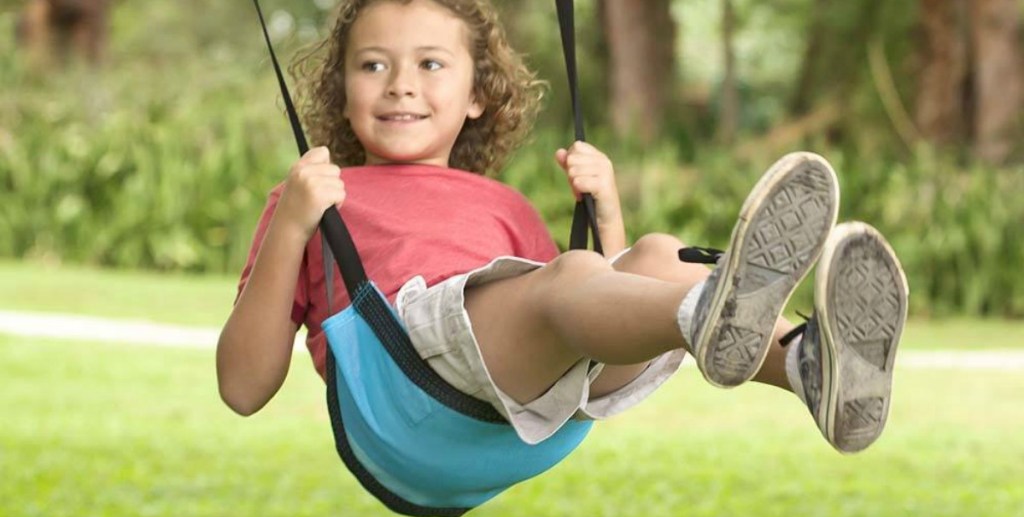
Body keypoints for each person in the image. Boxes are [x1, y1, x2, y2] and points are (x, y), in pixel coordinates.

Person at [217, 0, 908, 456]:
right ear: (341, 88)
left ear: (478, 95)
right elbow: (243, 389)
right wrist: (290, 225)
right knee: (574, 280)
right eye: (373, 65)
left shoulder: (503, 207)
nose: (400, 83)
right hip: (409, 391)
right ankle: (714, 307)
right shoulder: (317, 197)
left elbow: (597, 328)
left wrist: (607, 215)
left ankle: (811, 368)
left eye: (430, 63)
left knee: (656, 255)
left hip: (527, 402)